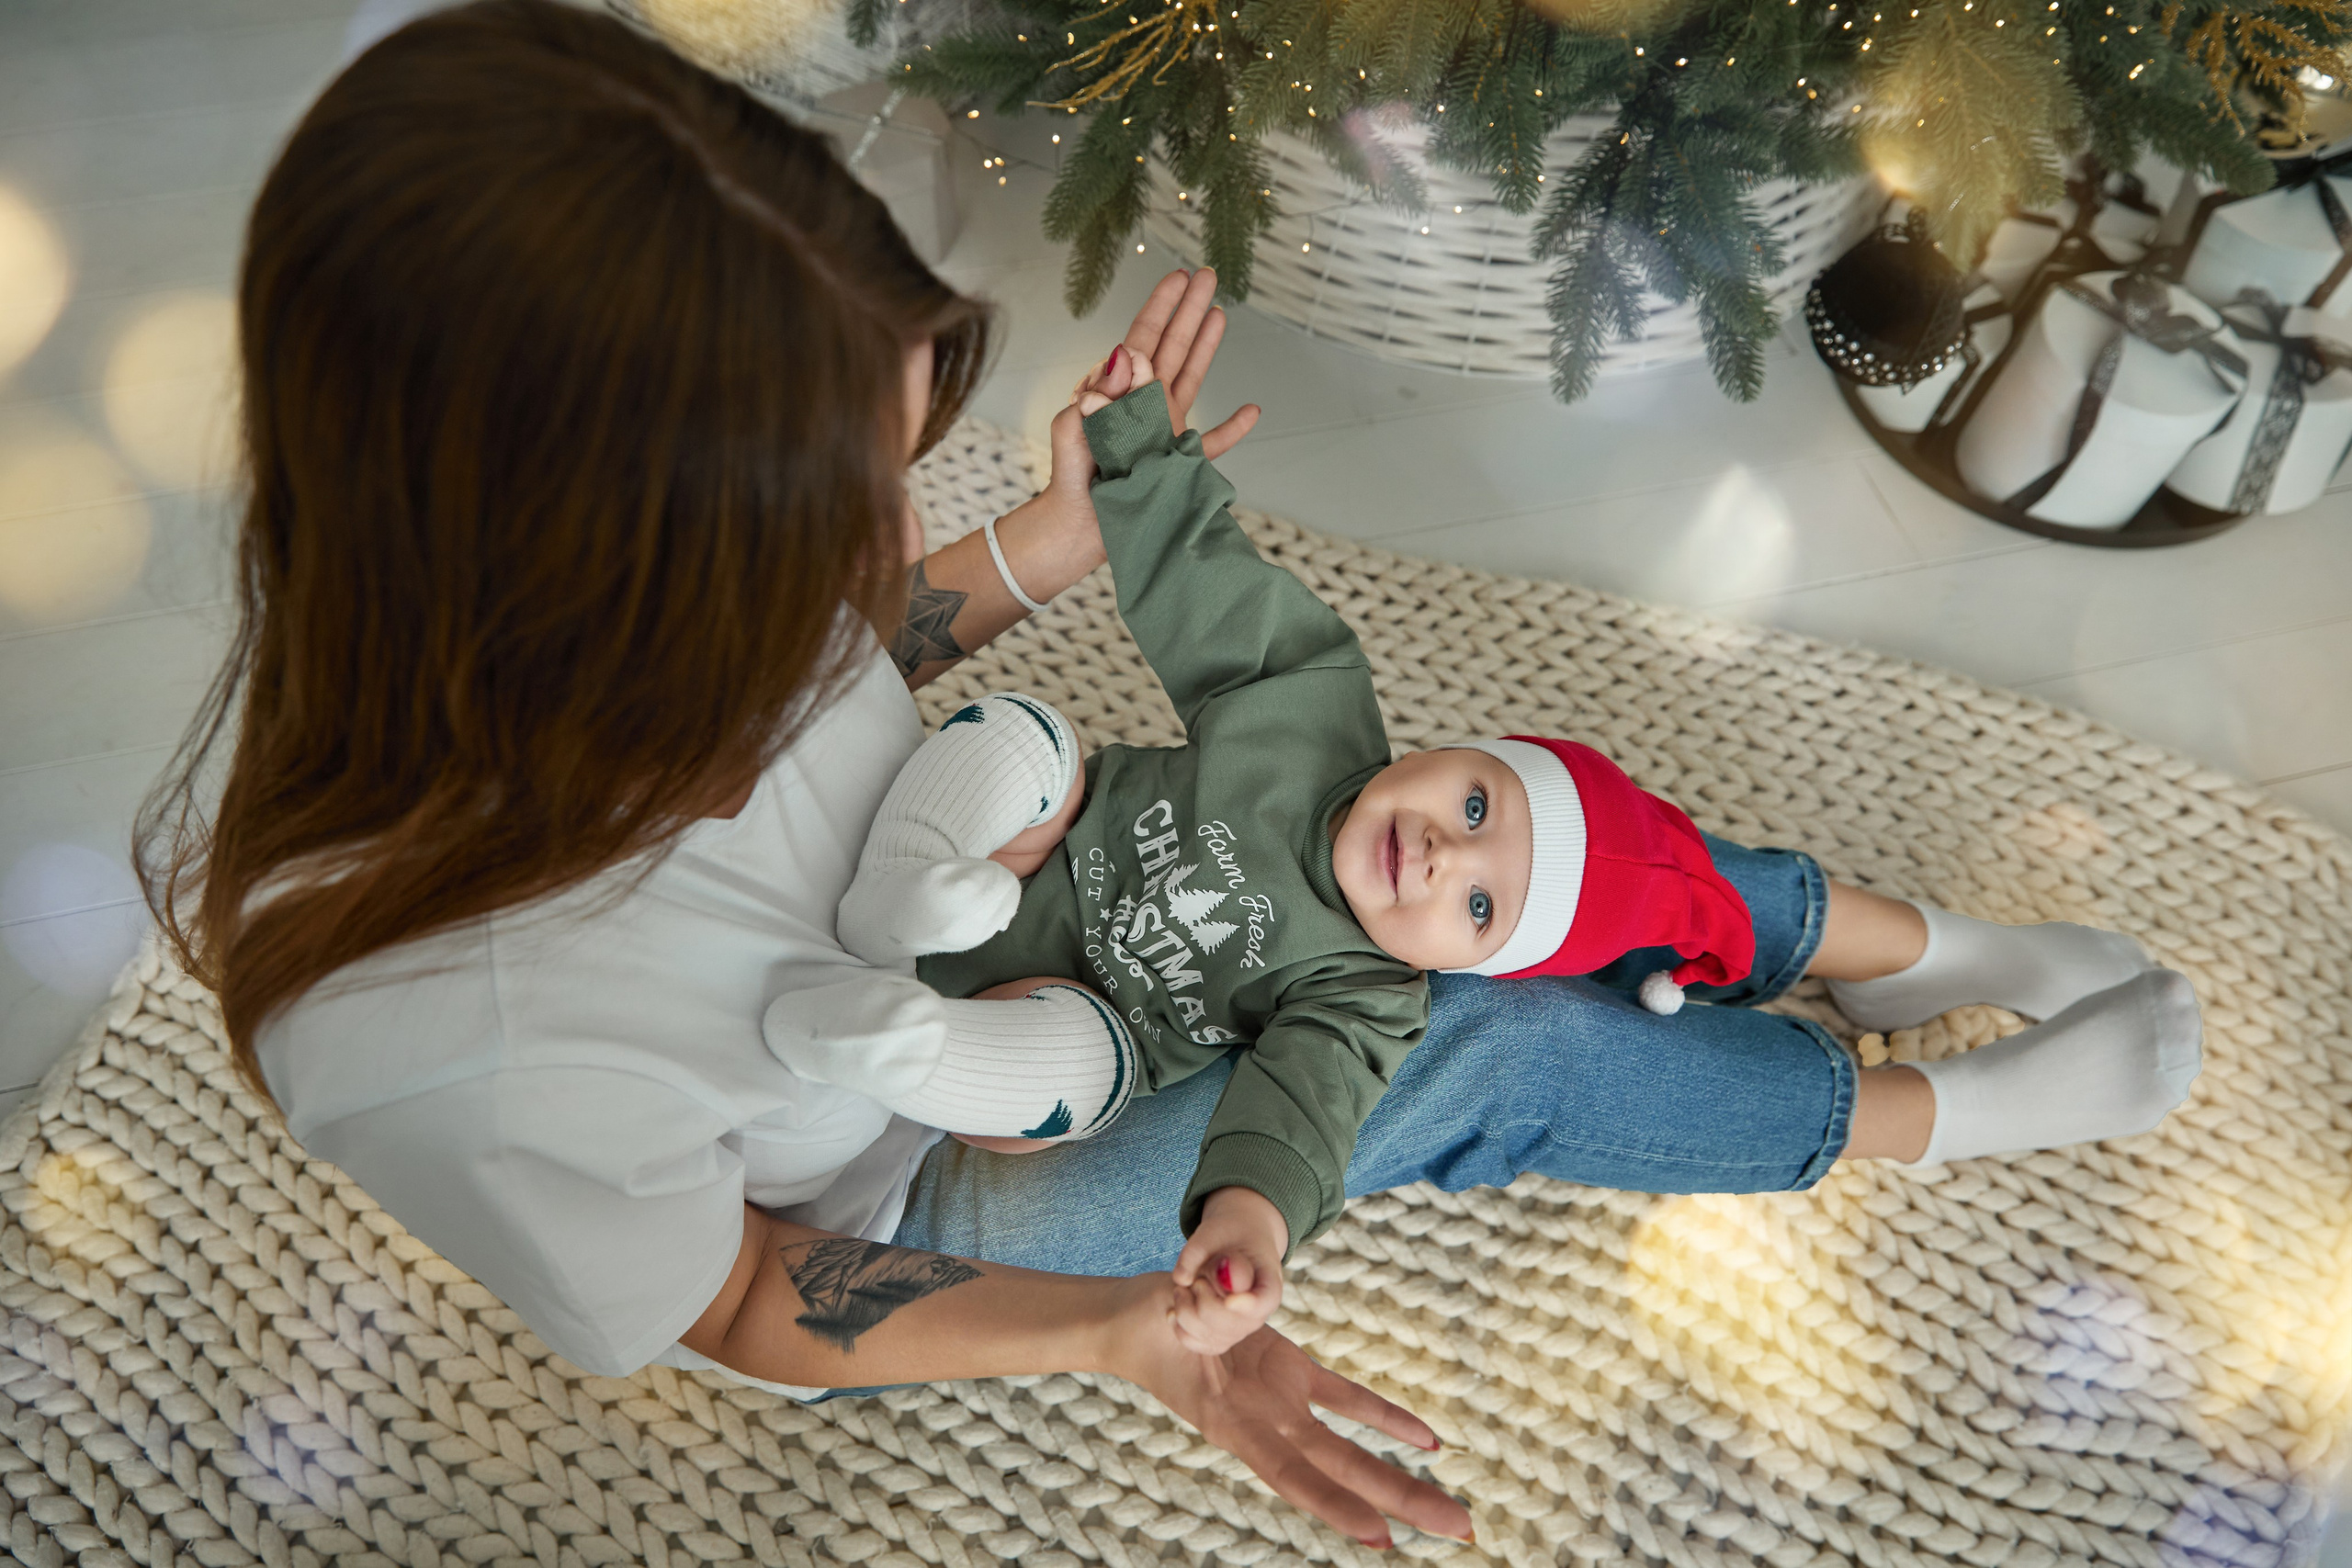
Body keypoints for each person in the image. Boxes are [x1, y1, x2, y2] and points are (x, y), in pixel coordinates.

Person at [135, 1, 2204, 1550]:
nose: (890, 543)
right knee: (1464, 1029)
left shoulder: (496, 611)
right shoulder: (444, 1045)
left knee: (1532, 835)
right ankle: (1923, 1111)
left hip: (993, 880)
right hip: (926, 1151)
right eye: (841, 511)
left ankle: (1886, 939)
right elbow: (754, 1293)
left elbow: (834, 669)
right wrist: (1113, 1326)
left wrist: (1044, 547)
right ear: (614, 568)